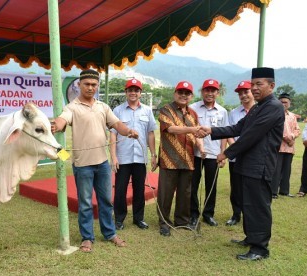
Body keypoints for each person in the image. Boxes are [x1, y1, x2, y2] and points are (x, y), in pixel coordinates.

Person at [199, 67, 284, 261]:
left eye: (258, 84)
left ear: (271, 86)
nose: (254, 88)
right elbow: (238, 127)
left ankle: (260, 249)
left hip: (260, 165)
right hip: (247, 164)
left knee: (258, 206)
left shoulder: (274, 106)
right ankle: (251, 238)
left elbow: (250, 135)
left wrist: (226, 153)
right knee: (248, 203)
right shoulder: (257, 107)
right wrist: (210, 129)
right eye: (252, 84)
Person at [51, 69, 139, 253]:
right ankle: (87, 238)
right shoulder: (72, 107)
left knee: (106, 201)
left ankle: (109, 233)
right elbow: (62, 120)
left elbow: (117, 125)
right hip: (82, 165)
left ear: (97, 86)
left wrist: (128, 131)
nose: (90, 88)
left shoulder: (103, 106)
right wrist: (55, 125)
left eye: (93, 85)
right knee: (85, 203)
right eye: (87, 84)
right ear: (79, 85)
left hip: (103, 164)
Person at [153, 81, 205, 237]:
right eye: (180, 92)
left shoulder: (193, 114)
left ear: (191, 96)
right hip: (169, 159)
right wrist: (192, 129)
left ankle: (182, 221)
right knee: (165, 194)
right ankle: (164, 222)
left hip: (188, 159)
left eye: (187, 93)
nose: (183, 95)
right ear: (175, 93)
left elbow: (197, 135)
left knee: (185, 193)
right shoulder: (166, 110)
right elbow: (171, 129)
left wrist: (201, 148)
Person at [110, 78, 157, 230]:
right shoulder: (117, 111)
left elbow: (150, 134)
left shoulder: (147, 111)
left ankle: (138, 218)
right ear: (126, 92)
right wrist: (113, 156)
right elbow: (113, 134)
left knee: (139, 189)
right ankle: (119, 219)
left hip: (140, 157)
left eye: (136, 90)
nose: (133, 93)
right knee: (120, 189)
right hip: (123, 157)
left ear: (140, 93)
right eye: (130, 90)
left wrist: (153, 154)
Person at [189, 79, 228, 227]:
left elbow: (225, 133)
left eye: (213, 90)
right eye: (207, 90)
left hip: (213, 154)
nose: (209, 93)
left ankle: (208, 214)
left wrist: (223, 154)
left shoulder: (222, 111)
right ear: (202, 92)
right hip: (195, 154)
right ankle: (193, 214)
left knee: (212, 185)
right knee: (193, 185)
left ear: (217, 93)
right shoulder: (192, 108)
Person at [225, 80, 255, 226]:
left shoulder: (260, 111)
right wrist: (234, 149)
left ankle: (250, 216)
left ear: (253, 92)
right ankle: (236, 215)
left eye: (246, 92)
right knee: (236, 188)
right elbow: (230, 133)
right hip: (236, 158)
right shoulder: (234, 113)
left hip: (253, 159)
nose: (243, 95)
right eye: (240, 93)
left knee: (251, 189)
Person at [271, 93, 301, 198]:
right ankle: (273, 192)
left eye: (285, 102)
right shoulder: (275, 114)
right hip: (278, 147)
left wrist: (292, 137)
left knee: (287, 170)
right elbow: (276, 129)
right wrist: (287, 138)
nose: (283, 104)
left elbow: (297, 129)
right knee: (276, 170)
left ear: (290, 103)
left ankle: (284, 191)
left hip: (289, 147)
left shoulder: (292, 116)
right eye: (281, 102)